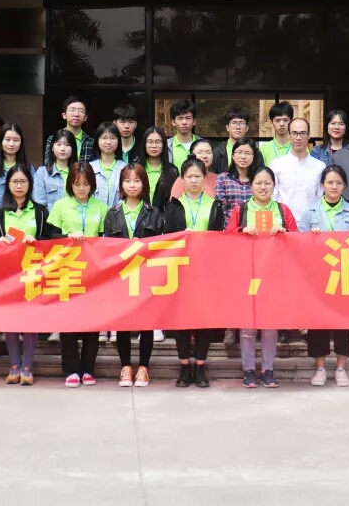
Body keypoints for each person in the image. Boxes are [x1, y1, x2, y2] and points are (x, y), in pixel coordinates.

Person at [226, 165, 298, 388]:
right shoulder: (241, 210)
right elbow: (226, 238)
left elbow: (297, 240)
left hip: (274, 274)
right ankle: (248, 369)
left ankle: (268, 368)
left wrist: (284, 233)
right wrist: (241, 232)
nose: (263, 187)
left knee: (270, 324)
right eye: (258, 183)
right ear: (251, 186)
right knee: (247, 325)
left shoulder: (283, 210)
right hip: (247, 273)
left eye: (268, 183)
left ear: (274, 186)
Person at [299, 165, 349, 386]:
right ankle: (319, 368)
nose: (334, 186)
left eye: (338, 182)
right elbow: (299, 244)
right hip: (317, 277)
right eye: (330, 182)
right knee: (317, 323)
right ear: (322, 185)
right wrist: (310, 237)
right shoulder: (310, 213)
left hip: (344, 275)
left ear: (344, 186)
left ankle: (340, 368)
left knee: (343, 323)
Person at [0, 165, 61, 386]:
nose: (19, 186)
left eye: (23, 181)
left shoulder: (40, 211)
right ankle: (14, 365)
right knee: (10, 322)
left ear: (30, 184)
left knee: (31, 321)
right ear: (8, 185)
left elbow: (50, 239)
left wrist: (36, 240)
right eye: (15, 182)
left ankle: (27, 367)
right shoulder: (0, 213)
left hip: (33, 273)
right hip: (8, 275)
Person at [164, 158, 226, 387]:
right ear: (182, 179)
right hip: (180, 270)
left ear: (204, 179)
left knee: (203, 319)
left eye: (197, 176)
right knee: (182, 320)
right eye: (189, 176)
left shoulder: (215, 205)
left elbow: (220, 237)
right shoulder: (174, 205)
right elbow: (167, 238)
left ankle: (200, 366)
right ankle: (184, 366)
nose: (193, 180)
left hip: (206, 270)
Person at [104, 164, 166, 388]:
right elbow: (106, 247)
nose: (132, 185)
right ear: (121, 185)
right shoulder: (112, 213)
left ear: (144, 184)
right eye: (128, 181)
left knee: (146, 321)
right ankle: (125, 367)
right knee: (123, 322)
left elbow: (160, 245)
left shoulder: (154, 213)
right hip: (121, 275)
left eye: (137, 181)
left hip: (146, 273)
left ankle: (143, 367)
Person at [49, 162, 108, 387]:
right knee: (69, 322)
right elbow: (50, 236)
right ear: (70, 185)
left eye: (85, 184)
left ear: (92, 185)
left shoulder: (101, 207)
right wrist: (67, 236)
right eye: (77, 184)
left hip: (93, 271)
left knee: (93, 323)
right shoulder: (60, 206)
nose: (81, 188)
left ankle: (88, 369)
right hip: (68, 270)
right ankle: (71, 369)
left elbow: (106, 238)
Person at [270, 117, 325, 223]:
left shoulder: (320, 167)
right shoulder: (276, 165)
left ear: (309, 135)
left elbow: (320, 199)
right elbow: (273, 198)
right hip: (284, 225)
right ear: (288, 135)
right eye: (294, 133)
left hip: (311, 225)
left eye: (303, 133)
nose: (298, 137)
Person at [215, 137, 260, 219]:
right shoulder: (223, 179)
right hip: (230, 225)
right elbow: (221, 210)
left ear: (254, 156)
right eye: (239, 152)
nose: (243, 156)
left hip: (253, 224)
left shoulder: (258, 180)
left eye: (248, 153)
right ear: (233, 155)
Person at [33, 128, 77, 210]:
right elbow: (39, 203)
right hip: (49, 217)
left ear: (73, 149)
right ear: (52, 147)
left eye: (67, 145)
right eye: (58, 144)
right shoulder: (42, 173)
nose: (62, 148)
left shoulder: (78, 173)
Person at [89, 122, 128, 209]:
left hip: (118, 216)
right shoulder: (89, 168)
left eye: (113, 138)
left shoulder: (125, 168)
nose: (108, 142)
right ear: (97, 140)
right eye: (104, 138)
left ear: (118, 141)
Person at [45, 97, 94, 163]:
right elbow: (48, 163)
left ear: (85, 118)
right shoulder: (52, 139)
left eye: (81, 111)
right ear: (64, 115)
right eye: (72, 110)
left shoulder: (91, 142)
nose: (76, 114)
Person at [141, 126, 179, 210]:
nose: (154, 146)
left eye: (158, 142)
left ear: (164, 144)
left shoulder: (172, 171)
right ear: (144, 144)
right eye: (150, 142)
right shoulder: (137, 169)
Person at [212, 107, 251, 174]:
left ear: (247, 128)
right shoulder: (216, 153)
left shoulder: (255, 152)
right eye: (234, 123)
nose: (238, 127)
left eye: (241, 123)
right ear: (227, 128)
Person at [258, 101, 295, 166]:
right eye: (277, 120)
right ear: (271, 123)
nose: (282, 124)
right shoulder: (264, 149)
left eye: (285, 120)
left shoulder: (298, 146)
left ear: (291, 121)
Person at [166, 98, 200, 168]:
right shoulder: (165, 146)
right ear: (173, 122)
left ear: (194, 121)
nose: (184, 122)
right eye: (180, 118)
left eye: (188, 118)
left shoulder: (203, 145)